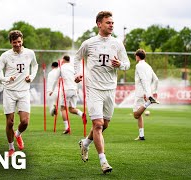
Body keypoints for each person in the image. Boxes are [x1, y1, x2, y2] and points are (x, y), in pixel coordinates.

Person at [74, 11, 130, 174]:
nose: (111, 25)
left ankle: (85, 143)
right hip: (94, 89)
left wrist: (120, 64)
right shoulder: (89, 43)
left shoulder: (117, 44)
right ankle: (103, 161)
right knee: (97, 124)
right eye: (108, 22)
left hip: (110, 89)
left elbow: (127, 64)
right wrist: (77, 73)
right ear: (99, 24)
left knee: (104, 125)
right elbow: (77, 58)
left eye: (112, 22)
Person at [0, 30, 38, 157]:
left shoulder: (30, 53)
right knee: (10, 122)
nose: (18, 45)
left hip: (24, 91)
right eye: (15, 43)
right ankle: (11, 148)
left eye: (19, 42)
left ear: (22, 41)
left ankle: (18, 134)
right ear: (11, 42)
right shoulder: (5, 56)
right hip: (9, 91)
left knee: (25, 122)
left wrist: (31, 76)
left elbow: (35, 66)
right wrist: (5, 79)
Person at [53, 55, 84, 134]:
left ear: (63, 60)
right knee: (71, 109)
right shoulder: (73, 67)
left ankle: (67, 127)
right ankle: (82, 114)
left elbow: (55, 78)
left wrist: (52, 89)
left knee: (63, 109)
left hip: (66, 90)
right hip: (74, 90)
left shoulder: (61, 67)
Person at [133, 49, 159, 140]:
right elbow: (156, 79)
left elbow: (143, 79)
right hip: (147, 92)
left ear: (137, 56)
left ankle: (148, 103)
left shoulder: (139, 66)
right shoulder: (148, 66)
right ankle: (141, 135)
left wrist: (146, 94)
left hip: (141, 92)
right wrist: (154, 92)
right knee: (139, 115)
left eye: (135, 56)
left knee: (136, 115)